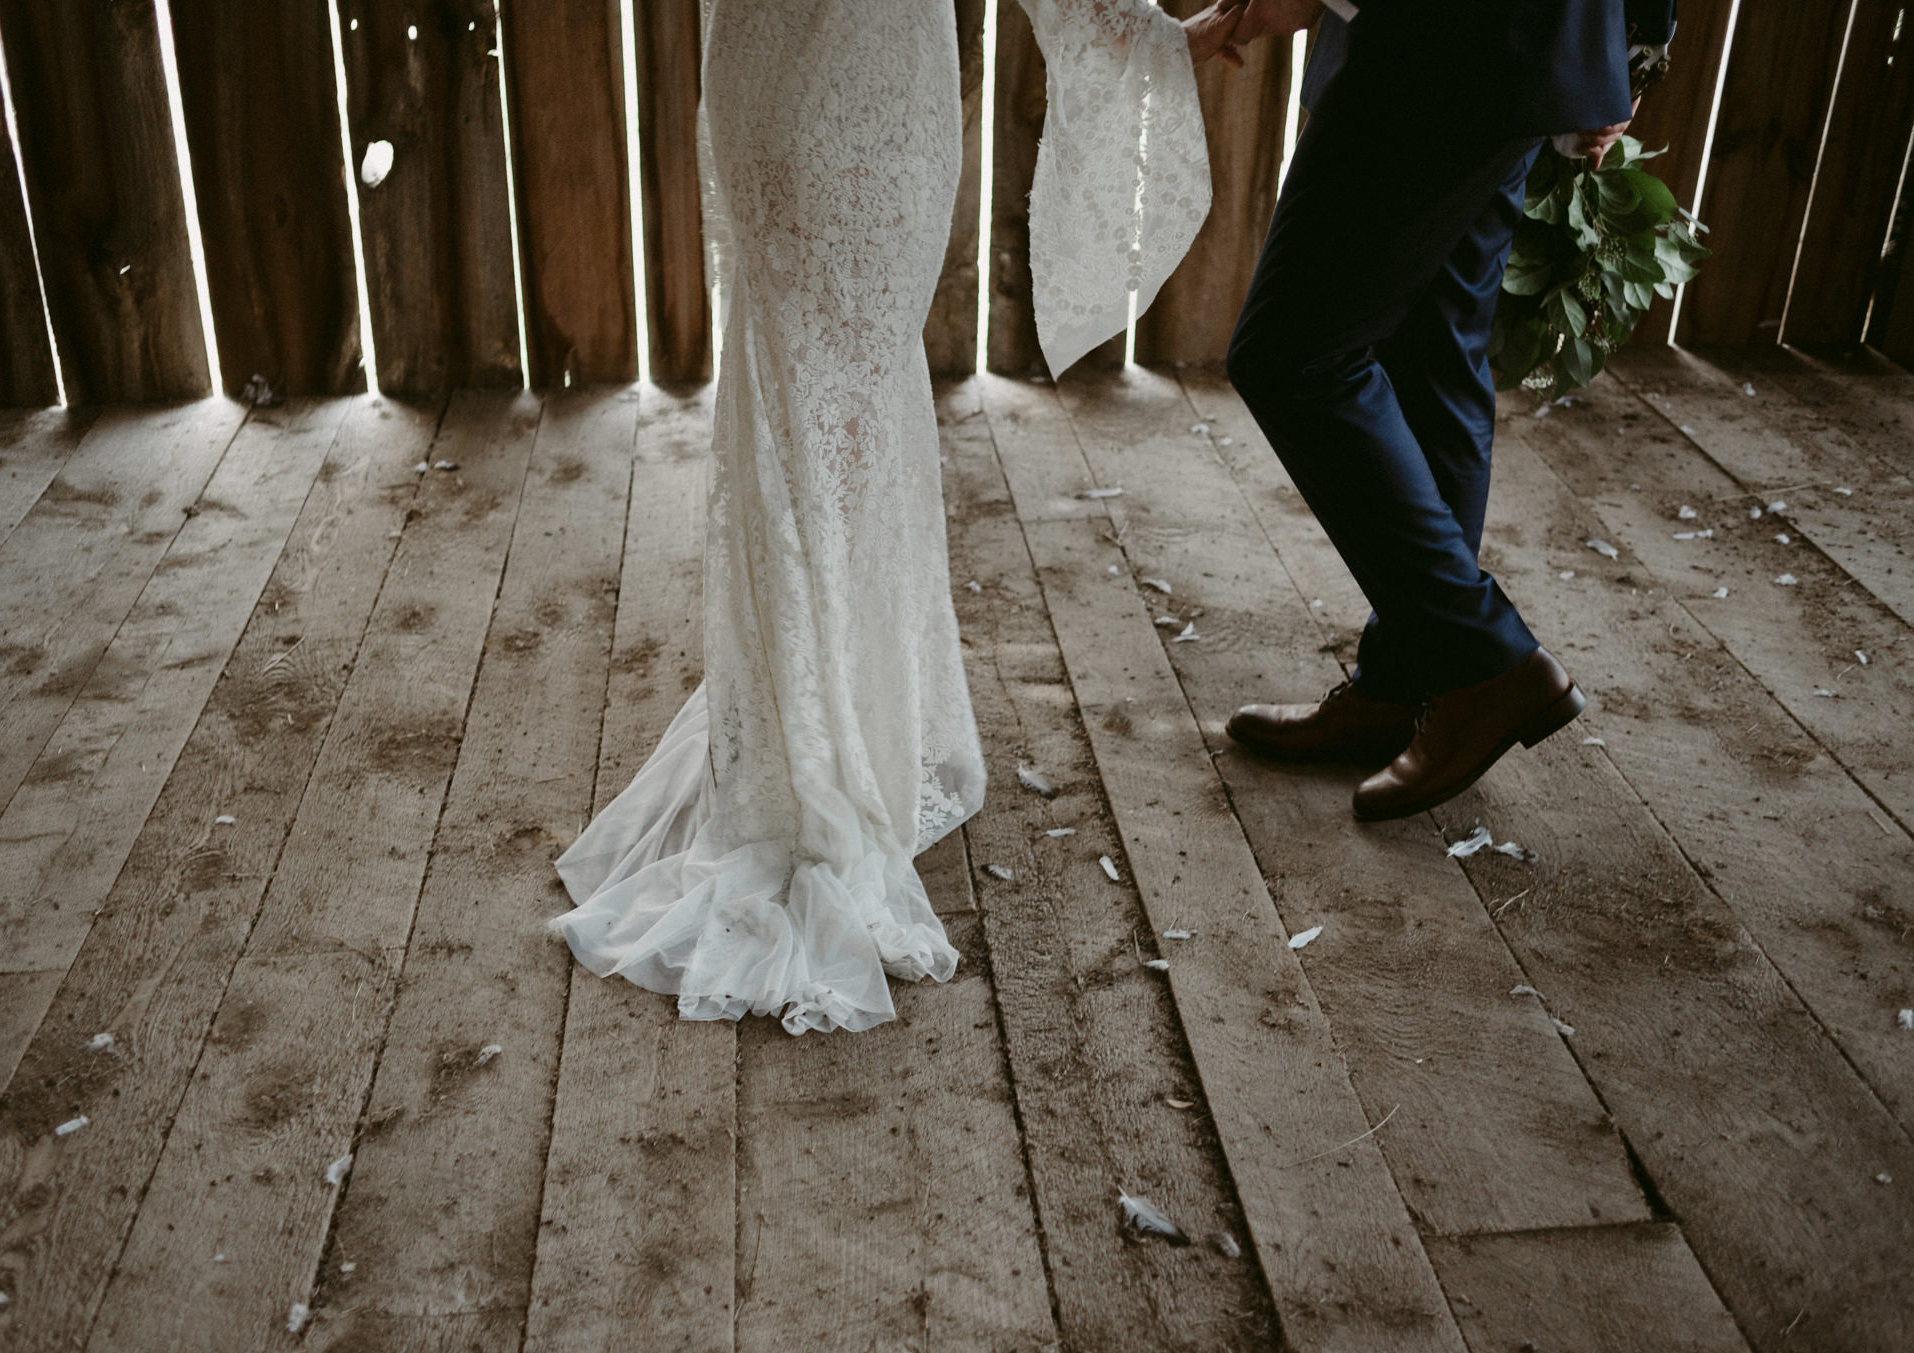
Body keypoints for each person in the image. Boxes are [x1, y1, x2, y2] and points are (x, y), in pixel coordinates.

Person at [551, 0, 1243, 1034]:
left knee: (815, 393)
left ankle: (823, 714)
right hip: (863, 78)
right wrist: (1138, 33)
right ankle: (825, 746)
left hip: (778, 72)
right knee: (840, 400)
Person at [1221, 0, 1675, 821]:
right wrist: (1633, 45)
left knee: (1293, 355)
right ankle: (1407, 683)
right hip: (1510, 42)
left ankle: (1481, 662)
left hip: (1439, 36)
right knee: (1433, 353)